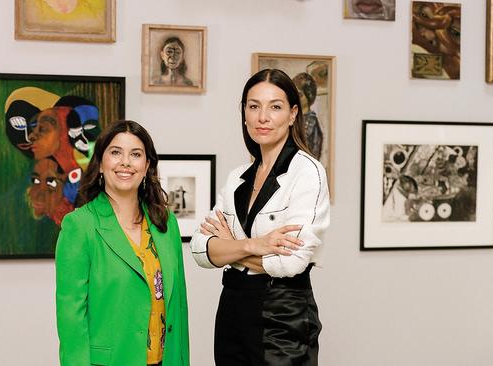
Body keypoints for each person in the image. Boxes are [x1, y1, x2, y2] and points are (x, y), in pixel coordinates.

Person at [190, 69, 330, 365]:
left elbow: (292, 262)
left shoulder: (307, 172)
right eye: (254, 106)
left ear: (293, 114)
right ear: (244, 114)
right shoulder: (237, 178)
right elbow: (201, 249)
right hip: (232, 310)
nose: (262, 117)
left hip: (283, 315)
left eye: (275, 107)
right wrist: (255, 245)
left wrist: (230, 248)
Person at [56, 120, 190, 366]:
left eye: (136, 154)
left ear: (147, 165)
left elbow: (178, 307)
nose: (126, 162)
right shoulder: (79, 225)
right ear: (100, 164)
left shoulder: (166, 223)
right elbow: (71, 320)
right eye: (116, 152)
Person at [292, 72, 323, 160]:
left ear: (309, 96)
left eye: (300, 95)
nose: (296, 98)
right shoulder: (294, 118)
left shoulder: (310, 122)